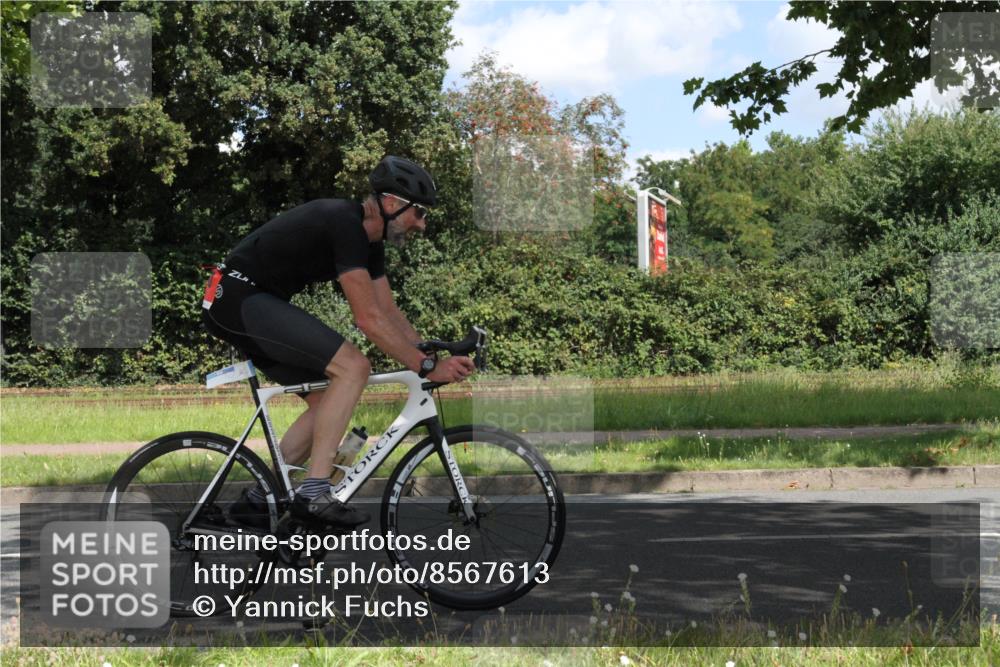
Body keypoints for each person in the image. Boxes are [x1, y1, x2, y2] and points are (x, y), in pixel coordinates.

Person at [201, 156, 476, 529]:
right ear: (392, 204)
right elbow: (368, 320)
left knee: (326, 398)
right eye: (419, 214)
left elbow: (387, 310)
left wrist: (425, 349)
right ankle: (314, 492)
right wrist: (426, 367)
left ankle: (258, 500)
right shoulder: (344, 223)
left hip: (251, 301)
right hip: (236, 297)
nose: (422, 225)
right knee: (354, 366)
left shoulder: (369, 240)